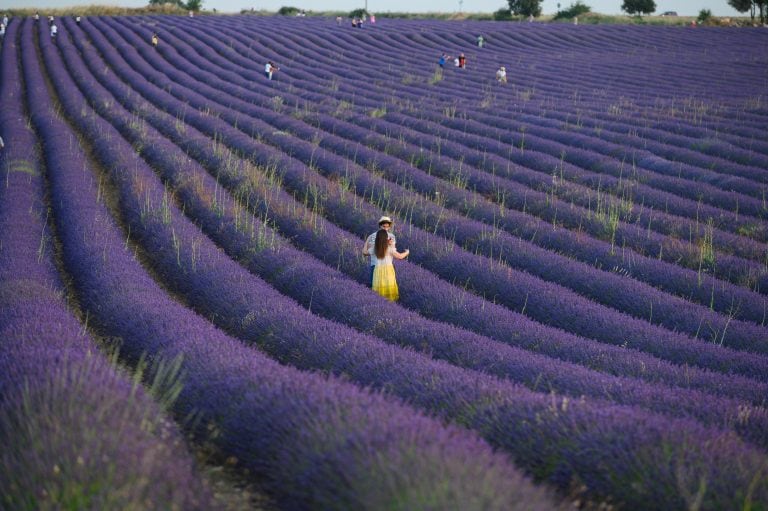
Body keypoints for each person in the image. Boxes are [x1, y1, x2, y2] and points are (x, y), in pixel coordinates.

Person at [371, 228, 409, 301]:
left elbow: (366, 252)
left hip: (378, 271)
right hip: (387, 271)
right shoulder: (389, 249)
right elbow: (400, 256)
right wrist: (407, 252)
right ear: (385, 238)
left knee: (379, 290)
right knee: (389, 290)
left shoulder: (374, 248)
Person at [362, 216, 397, 288]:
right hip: (376, 264)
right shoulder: (373, 236)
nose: (386, 228)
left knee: (388, 287)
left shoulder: (392, 236)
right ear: (380, 226)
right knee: (375, 286)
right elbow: (372, 250)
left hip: (388, 265)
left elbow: (392, 251)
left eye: (388, 227)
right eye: (384, 226)